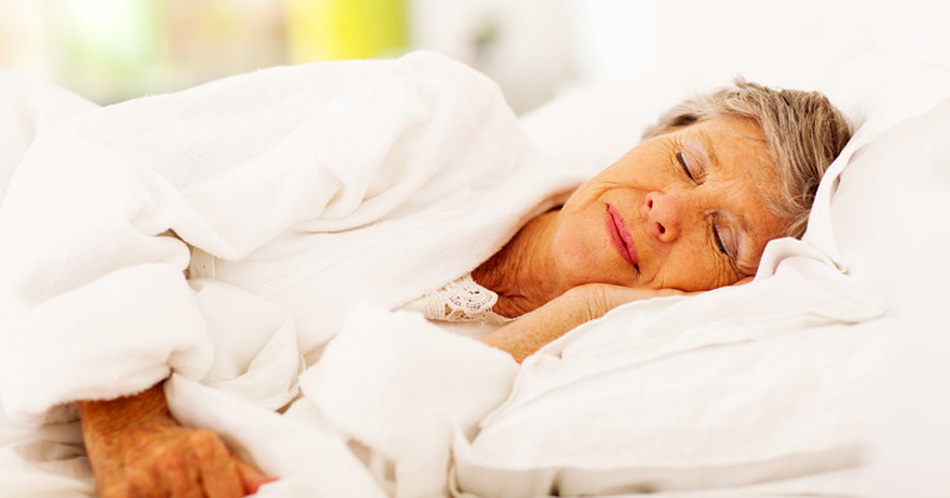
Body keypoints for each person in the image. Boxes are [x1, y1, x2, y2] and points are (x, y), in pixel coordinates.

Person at [0, 53, 851, 497]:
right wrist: (128, 423)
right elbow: (101, 167)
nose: (670, 209)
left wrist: (574, 311)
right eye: (687, 162)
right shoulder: (440, 122)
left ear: (737, 293)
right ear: (643, 135)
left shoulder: (586, 363)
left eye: (724, 237)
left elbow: (345, 455)